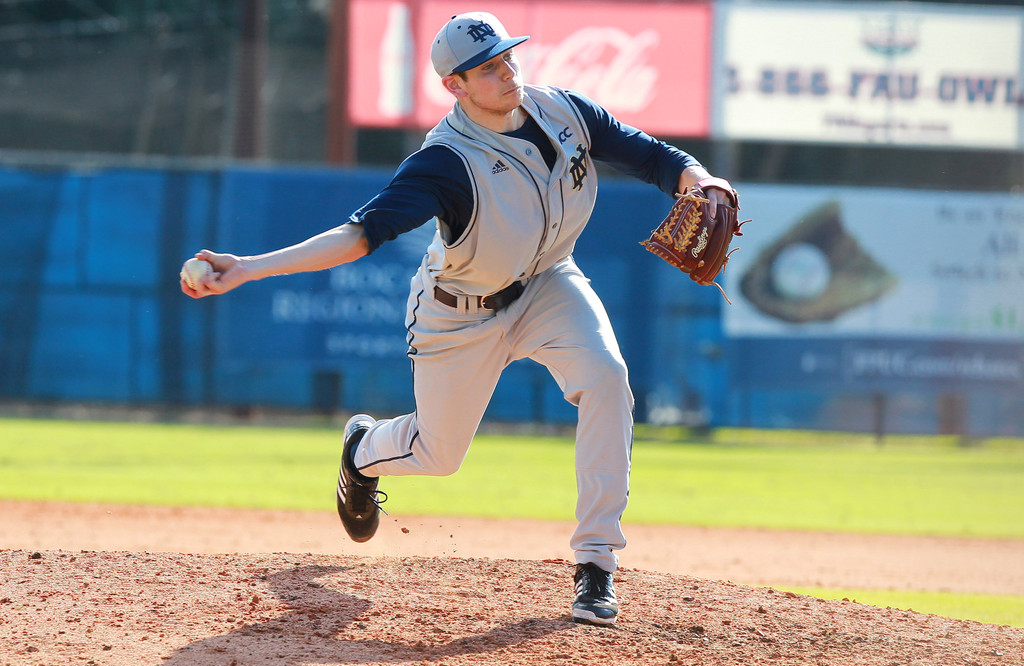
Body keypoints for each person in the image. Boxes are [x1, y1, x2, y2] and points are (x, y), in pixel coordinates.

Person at [181, 11, 736, 627]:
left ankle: (596, 564)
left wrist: (699, 178)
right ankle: (363, 449)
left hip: (550, 283)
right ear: (455, 86)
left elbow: (653, 157)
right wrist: (249, 267)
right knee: (439, 454)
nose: (507, 72)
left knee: (608, 379)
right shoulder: (446, 161)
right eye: (488, 68)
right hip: (459, 311)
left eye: (507, 57)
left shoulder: (565, 112)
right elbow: (358, 236)